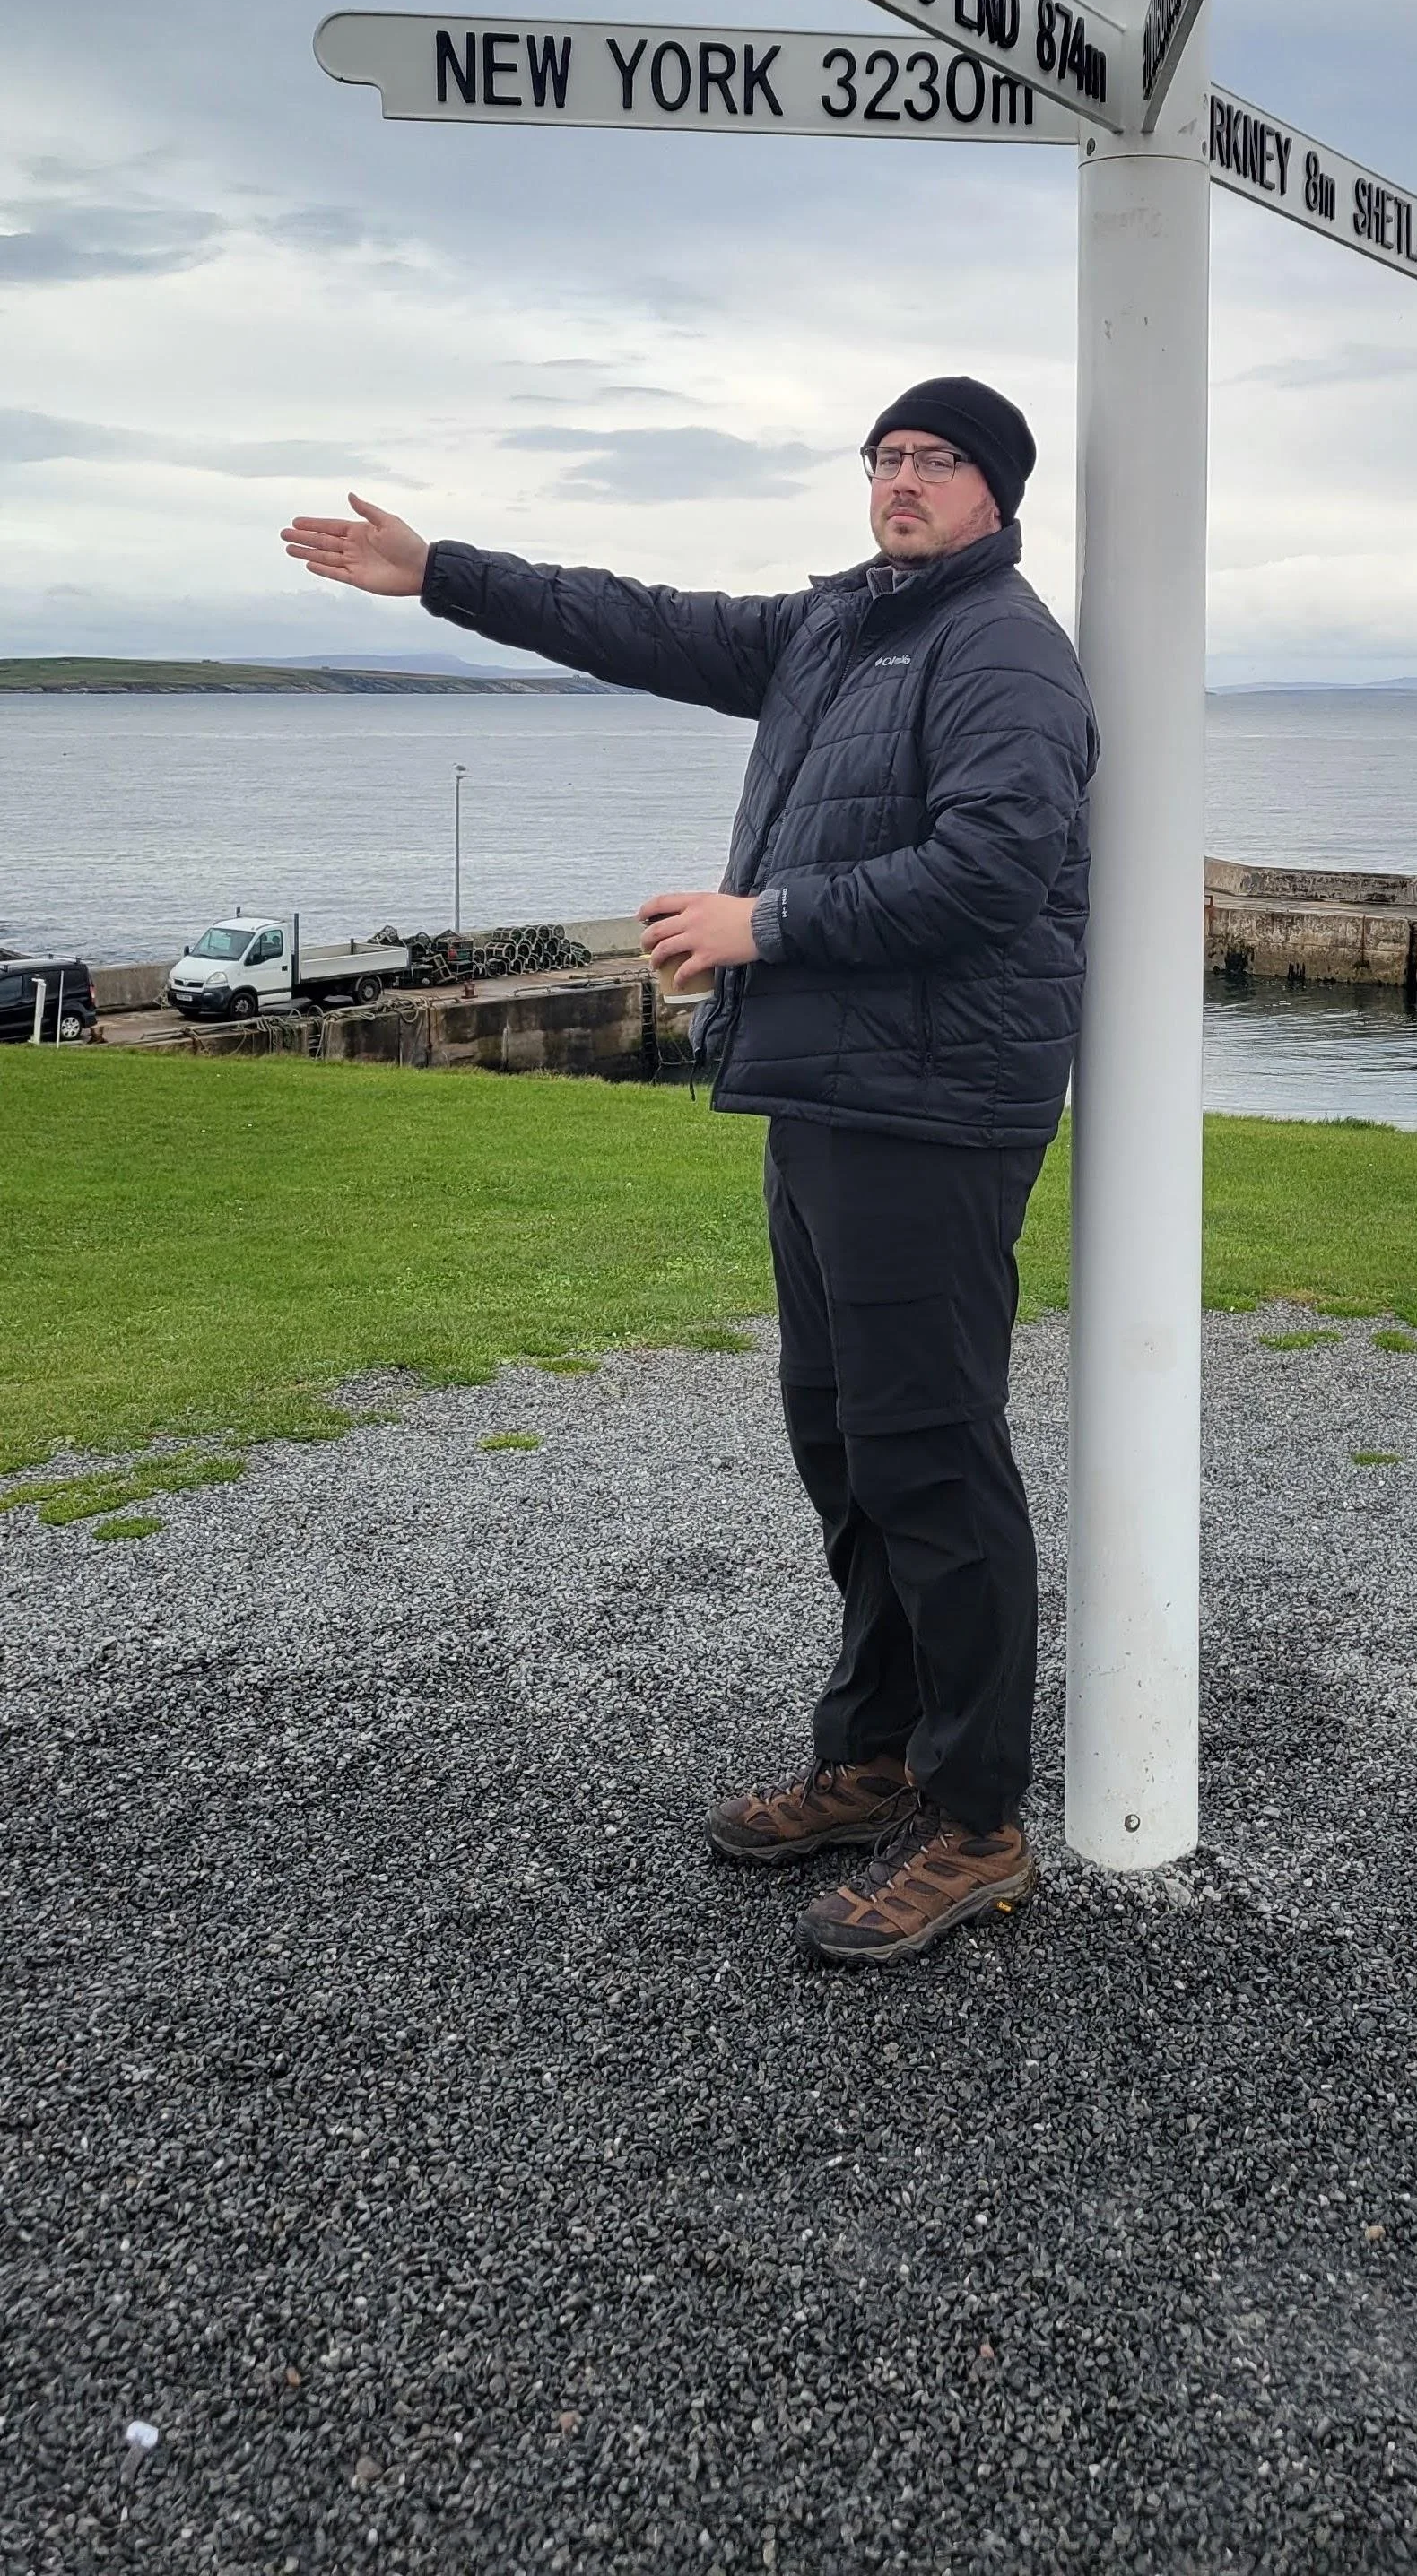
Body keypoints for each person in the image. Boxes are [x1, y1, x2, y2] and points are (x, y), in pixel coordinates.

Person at [282, 377, 1096, 1967]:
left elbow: (1000, 863)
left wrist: (761, 925)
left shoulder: (1002, 647)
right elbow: (634, 620)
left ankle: (980, 1821)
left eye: (935, 461)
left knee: (931, 1457)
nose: (901, 480)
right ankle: (875, 1758)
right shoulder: (835, 630)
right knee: (847, 1449)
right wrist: (442, 570)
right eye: (884, 458)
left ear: (995, 491)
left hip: (935, 1111)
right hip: (829, 1094)